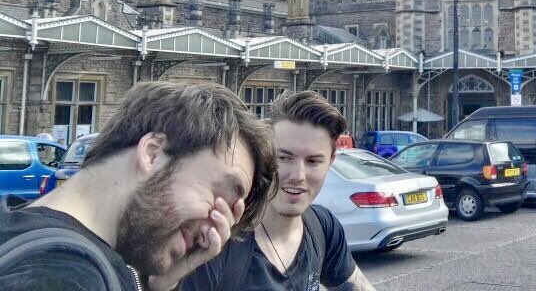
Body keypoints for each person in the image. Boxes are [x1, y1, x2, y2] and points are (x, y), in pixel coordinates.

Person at [0, 82, 276, 291]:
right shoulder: (66, 278)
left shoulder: (16, 226)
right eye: (219, 195)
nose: (216, 231)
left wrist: (160, 284)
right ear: (153, 152)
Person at [179, 90, 376, 290]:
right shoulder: (217, 244)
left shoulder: (323, 228)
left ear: (330, 162)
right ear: (265, 155)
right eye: (284, 158)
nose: (298, 175)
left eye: (313, 161)